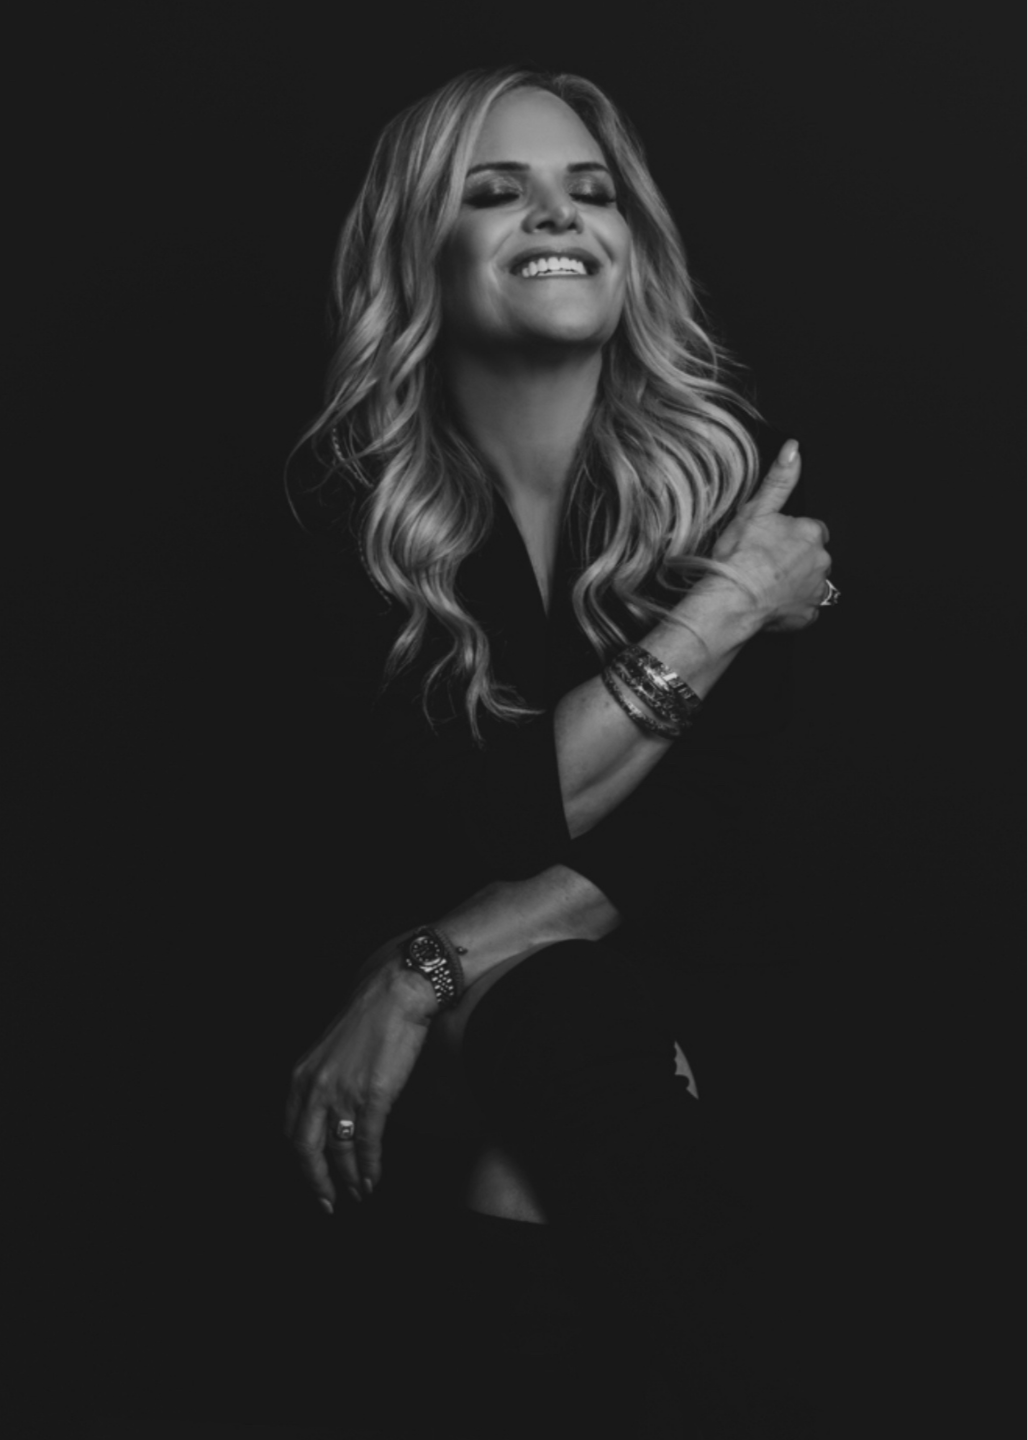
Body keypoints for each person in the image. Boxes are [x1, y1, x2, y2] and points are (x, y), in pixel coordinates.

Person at [283, 65, 835, 1437]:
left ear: (631, 245)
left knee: (549, 1090)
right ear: (422, 249)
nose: (558, 215)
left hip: (718, 994)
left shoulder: (741, 479)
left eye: (591, 191)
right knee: (561, 1045)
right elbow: (492, 825)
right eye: (496, 191)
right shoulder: (350, 514)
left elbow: (690, 846)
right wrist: (728, 611)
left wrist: (422, 974)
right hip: (468, 1026)